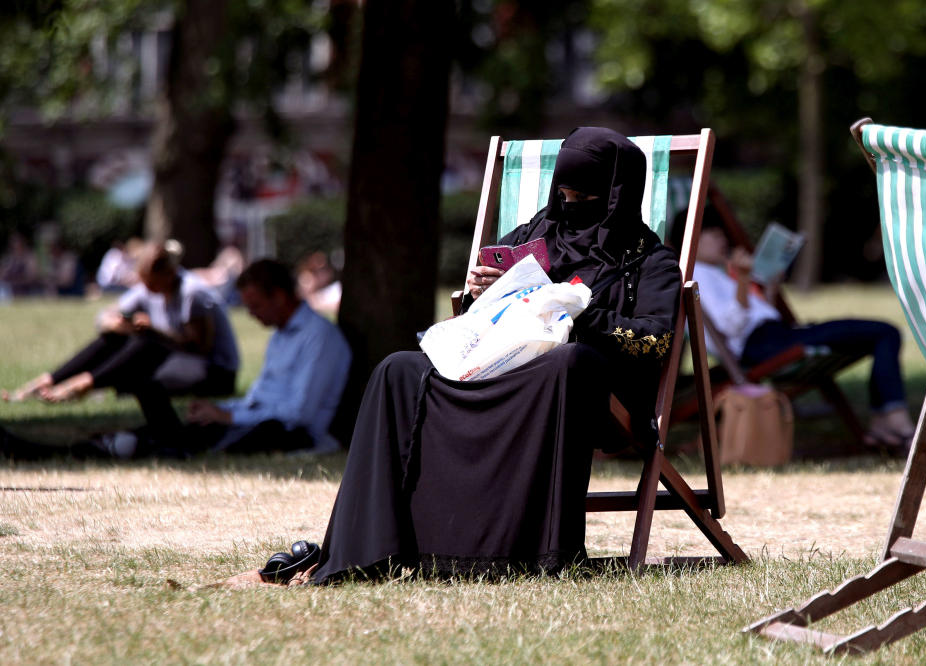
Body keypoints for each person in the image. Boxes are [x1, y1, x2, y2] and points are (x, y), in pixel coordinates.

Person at [224, 127, 682, 586]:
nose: (569, 204)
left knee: (570, 361)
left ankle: (531, 554)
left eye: (584, 195)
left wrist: (577, 313)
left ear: (616, 196)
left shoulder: (649, 263)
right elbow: (479, 315)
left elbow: (655, 341)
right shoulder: (532, 238)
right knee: (398, 370)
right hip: (495, 363)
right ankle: (370, 550)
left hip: (573, 384)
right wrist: (485, 293)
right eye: (563, 193)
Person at [0, 259, 351, 460]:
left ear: (281, 296)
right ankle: (101, 443)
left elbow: (298, 415)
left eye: (257, 305)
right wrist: (223, 411)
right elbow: (258, 397)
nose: (253, 315)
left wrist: (227, 414)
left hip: (285, 433)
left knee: (183, 439)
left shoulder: (318, 338)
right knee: (175, 420)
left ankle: (102, 446)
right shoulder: (280, 336)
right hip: (251, 421)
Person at [672, 206, 915, 455]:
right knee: (885, 332)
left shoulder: (716, 273)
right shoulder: (695, 274)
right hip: (764, 345)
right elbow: (732, 327)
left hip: (774, 337)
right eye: (713, 234)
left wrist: (769, 289)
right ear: (690, 238)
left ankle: (886, 421)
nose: (722, 239)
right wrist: (744, 281)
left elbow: (754, 316)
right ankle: (892, 420)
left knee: (880, 334)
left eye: (721, 233)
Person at [2, 242, 239, 429]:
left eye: (152, 283)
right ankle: (50, 380)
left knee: (148, 346)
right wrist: (119, 325)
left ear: (168, 274)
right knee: (117, 340)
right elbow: (105, 317)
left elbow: (200, 347)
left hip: (214, 371)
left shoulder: (192, 293)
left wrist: (154, 331)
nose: (148, 290)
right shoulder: (149, 288)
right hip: (173, 362)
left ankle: (88, 383)